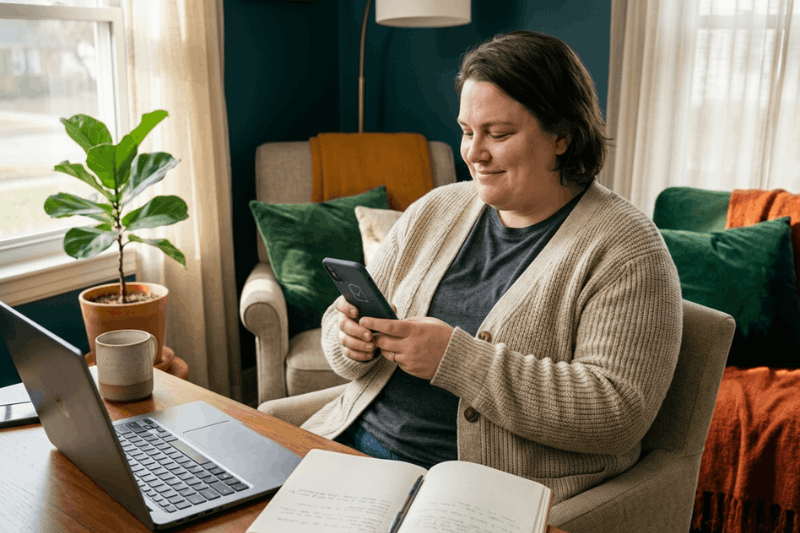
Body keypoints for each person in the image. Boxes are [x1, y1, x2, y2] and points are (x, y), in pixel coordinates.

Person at [298, 31, 683, 506]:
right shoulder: (435, 210)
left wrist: (456, 361)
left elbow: (616, 412)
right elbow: (341, 325)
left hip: (479, 493)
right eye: (466, 131)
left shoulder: (627, 250)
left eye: (498, 135)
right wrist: (349, 341)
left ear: (562, 135)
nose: (473, 153)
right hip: (358, 453)